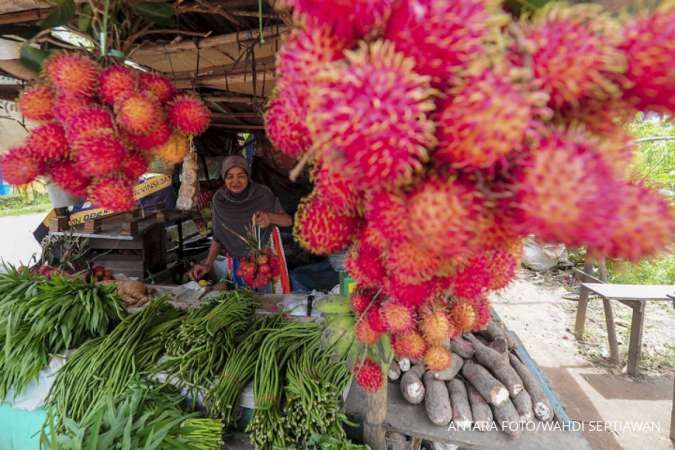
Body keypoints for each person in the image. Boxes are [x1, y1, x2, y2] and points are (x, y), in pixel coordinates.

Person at [190, 155, 292, 284]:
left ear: (248, 176)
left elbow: (288, 221)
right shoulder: (220, 200)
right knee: (245, 299)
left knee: (271, 300)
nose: (235, 181)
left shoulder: (263, 194)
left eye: (241, 176)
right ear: (224, 178)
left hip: (267, 260)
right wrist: (208, 264)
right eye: (230, 176)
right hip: (239, 264)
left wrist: (270, 217)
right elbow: (218, 236)